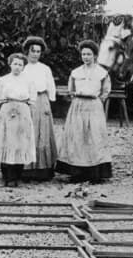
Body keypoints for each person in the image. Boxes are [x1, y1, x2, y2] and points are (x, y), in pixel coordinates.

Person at [56, 40, 113, 183]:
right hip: (78, 106)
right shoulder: (76, 72)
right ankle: (77, 172)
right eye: (83, 54)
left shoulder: (102, 73)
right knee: (77, 136)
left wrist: (98, 101)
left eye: (89, 54)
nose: (86, 57)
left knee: (94, 136)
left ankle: (95, 173)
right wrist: (77, 98)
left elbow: (106, 91)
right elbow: (71, 90)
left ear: (94, 55)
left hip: (94, 106)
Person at [0, 52, 36, 187]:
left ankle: (17, 175)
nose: (17, 67)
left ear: (23, 66)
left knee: (20, 142)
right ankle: (7, 175)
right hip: (7, 109)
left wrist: (22, 105)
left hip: (23, 110)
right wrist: (7, 103)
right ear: (10, 64)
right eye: (15, 64)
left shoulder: (29, 80)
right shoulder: (3, 80)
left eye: (20, 64)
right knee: (6, 141)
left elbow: (32, 97)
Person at [21, 36, 58, 181]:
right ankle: (26, 170)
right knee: (27, 133)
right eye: (33, 51)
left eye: (38, 51)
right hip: (26, 101)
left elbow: (50, 87)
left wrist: (49, 102)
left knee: (43, 134)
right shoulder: (22, 67)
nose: (35, 54)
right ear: (27, 52)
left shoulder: (45, 68)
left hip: (42, 101)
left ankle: (43, 169)